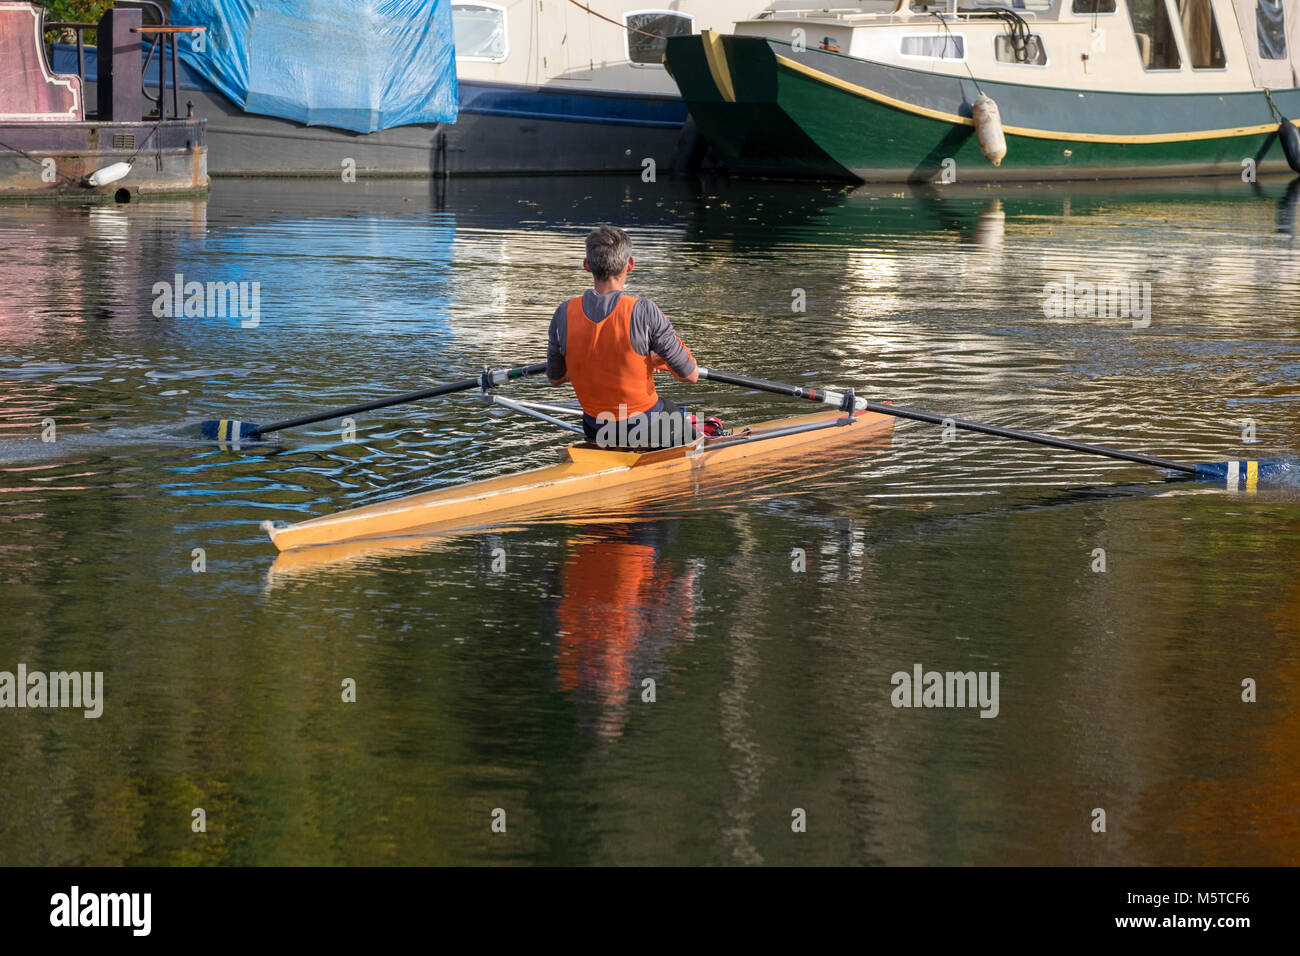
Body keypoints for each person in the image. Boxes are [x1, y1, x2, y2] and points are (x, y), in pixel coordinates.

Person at [548, 225, 711, 448]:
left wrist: (606, 362)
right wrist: (649, 360)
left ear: (587, 266)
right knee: (680, 417)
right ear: (630, 264)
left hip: (595, 427)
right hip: (644, 426)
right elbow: (689, 374)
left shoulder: (563, 313)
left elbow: (555, 379)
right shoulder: (644, 311)